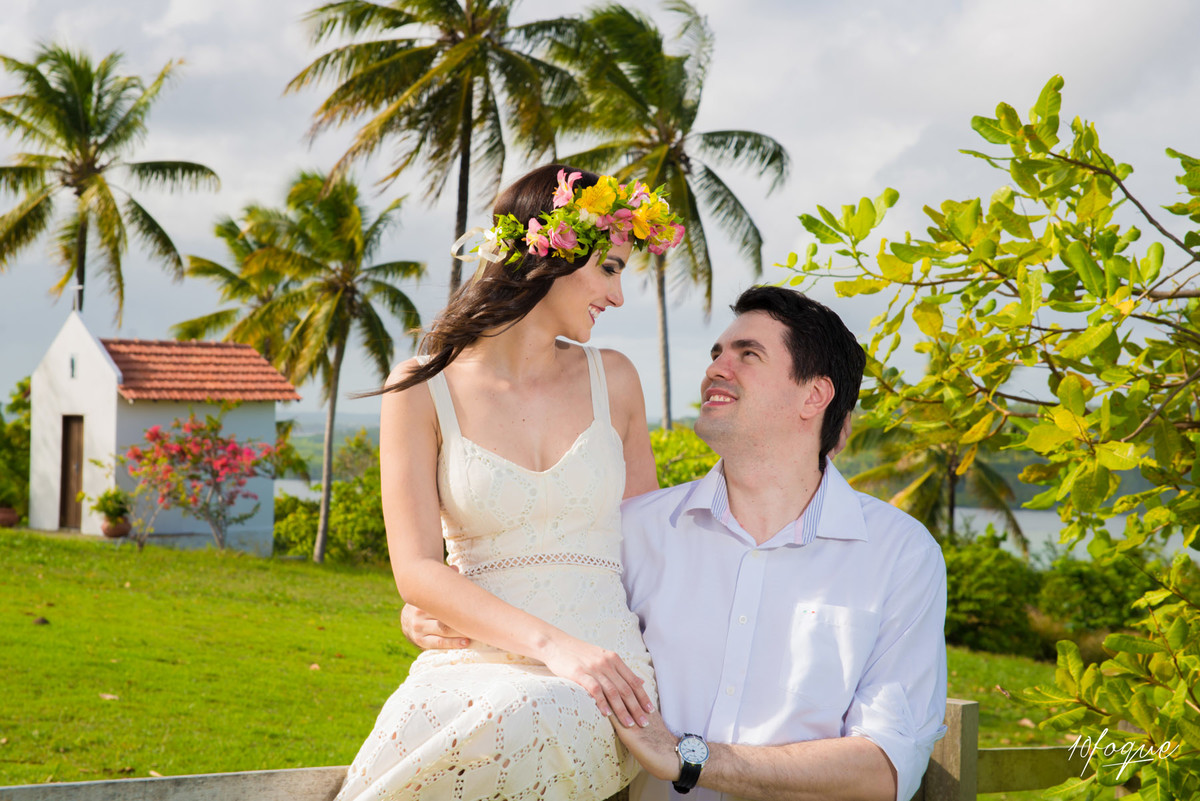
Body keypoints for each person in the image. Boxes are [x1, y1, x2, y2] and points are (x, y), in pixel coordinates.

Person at [406, 286, 948, 801]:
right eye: (717, 353)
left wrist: (689, 758)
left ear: (814, 396)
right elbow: (543, 611)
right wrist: (435, 615)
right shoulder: (633, 532)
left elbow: (887, 766)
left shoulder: (900, 555)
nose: (717, 367)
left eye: (748, 354)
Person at [334, 164, 685, 801]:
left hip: (605, 670)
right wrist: (437, 613)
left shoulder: (616, 380)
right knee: (425, 725)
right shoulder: (419, 389)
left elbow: (648, 549)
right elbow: (417, 569)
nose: (618, 297)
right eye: (610, 269)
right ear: (552, 254)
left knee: (530, 713)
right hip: (470, 662)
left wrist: (587, 655)